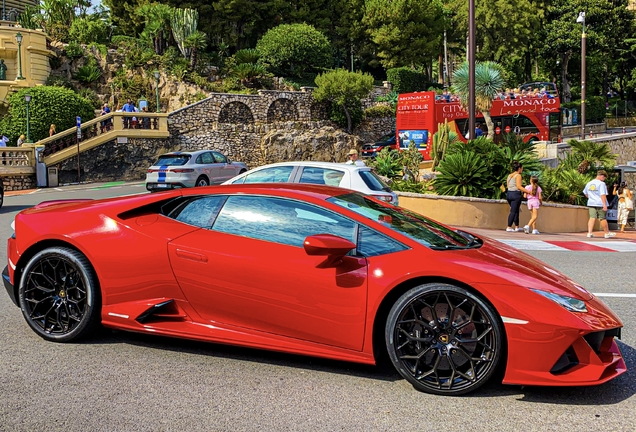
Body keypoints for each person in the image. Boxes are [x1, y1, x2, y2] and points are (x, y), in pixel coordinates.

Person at [583, 170, 615, 238]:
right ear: (602, 176)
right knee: (602, 218)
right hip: (600, 203)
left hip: (591, 203)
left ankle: (589, 233)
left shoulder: (589, 183)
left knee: (592, 217)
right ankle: (606, 233)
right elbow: (602, 194)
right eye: (604, 178)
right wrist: (604, 204)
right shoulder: (601, 184)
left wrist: (591, 198)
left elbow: (585, 193)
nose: (604, 179)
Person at [505, 161, 525, 232]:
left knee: (516, 210)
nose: (522, 170)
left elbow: (508, 185)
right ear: (519, 168)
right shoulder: (518, 176)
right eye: (522, 168)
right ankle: (509, 226)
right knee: (513, 211)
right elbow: (519, 186)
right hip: (515, 194)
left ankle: (517, 226)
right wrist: (528, 191)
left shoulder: (509, 175)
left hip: (509, 194)